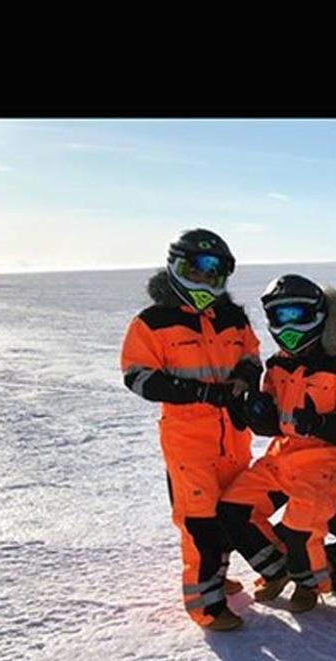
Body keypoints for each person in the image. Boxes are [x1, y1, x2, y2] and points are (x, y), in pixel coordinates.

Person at [120, 228, 261, 631]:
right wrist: (197, 391)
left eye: (213, 271)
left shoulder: (232, 317)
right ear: (176, 267)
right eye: (194, 270)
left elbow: (252, 353)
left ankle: (216, 577)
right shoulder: (152, 322)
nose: (203, 280)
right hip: (189, 442)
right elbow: (138, 376)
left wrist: (245, 376)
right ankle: (206, 606)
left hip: (233, 436)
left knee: (226, 513)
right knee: (198, 520)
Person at [217, 274, 336, 612]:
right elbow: (272, 420)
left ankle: (310, 582)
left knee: (299, 532)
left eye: (297, 314)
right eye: (280, 316)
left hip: (329, 464)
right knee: (233, 511)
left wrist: (321, 424)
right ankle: (277, 570)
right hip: (284, 456)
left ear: (320, 316)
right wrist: (253, 411)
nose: (288, 325)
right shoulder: (279, 364)